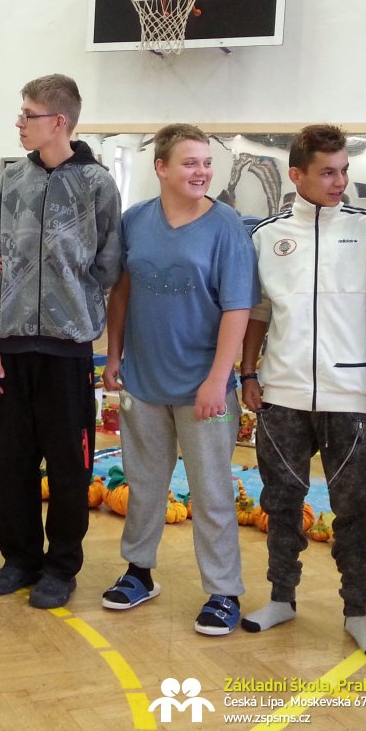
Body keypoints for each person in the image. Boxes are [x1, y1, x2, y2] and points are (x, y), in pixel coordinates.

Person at [239, 124, 366, 656]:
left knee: (354, 509)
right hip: (281, 396)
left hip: (348, 395)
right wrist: (249, 373)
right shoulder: (266, 235)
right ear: (297, 174)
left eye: (344, 171)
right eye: (328, 172)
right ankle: (281, 598)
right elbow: (258, 311)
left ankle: (357, 612)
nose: (339, 182)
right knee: (281, 502)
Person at [101, 124, 258, 635]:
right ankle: (139, 572)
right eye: (190, 163)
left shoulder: (226, 225)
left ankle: (223, 591)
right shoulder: (135, 220)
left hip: (203, 388)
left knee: (211, 493)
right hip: (143, 382)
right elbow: (122, 292)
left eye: (207, 163)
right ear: (161, 168)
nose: (201, 172)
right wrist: (114, 355)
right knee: (144, 485)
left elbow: (238, 308)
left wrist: (218, 379)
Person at [0, 74, 122, 609]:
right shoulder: (12, 180)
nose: (19, 122)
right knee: (10, 464)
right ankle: (19, 558)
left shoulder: (97, 184)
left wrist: (69, 302)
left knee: (68, 468)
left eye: (28, 114)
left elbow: (109, 264)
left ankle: (61, 567)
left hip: (67, 352)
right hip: (12, 348)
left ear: (58, 121)